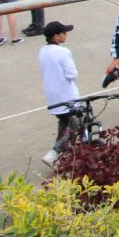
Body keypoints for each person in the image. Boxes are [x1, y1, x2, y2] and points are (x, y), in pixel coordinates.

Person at [38, 22, 78, 166]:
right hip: (67, 96)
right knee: (76, 126)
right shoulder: (63, 52)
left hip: (52, 96)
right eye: (64, 33)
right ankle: (54, 153)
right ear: (56, 36)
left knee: (64, 124)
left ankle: (64, 157)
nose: (66, 35)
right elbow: (72, 74)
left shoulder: (43, 51)